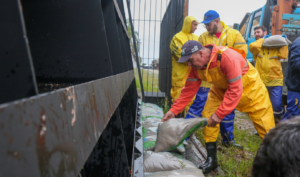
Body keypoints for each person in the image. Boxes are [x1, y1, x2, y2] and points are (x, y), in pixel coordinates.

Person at [162, 40, 275, 174]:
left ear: (201, 53)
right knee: (208, 116)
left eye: (190, 60)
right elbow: (187, 91)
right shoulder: (195, 68)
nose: (189, 64)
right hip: (221, 90)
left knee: (268, 131)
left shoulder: (227, 58)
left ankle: (278, 165)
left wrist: (220, 113)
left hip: (252, 91)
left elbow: (235, 90)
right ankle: (212, 159)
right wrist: (173, 111)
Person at [185, 10, 247, 148]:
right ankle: (185, 137)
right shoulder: (202, 37)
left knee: (228, 110)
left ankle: (228, 140)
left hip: (225, 80)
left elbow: (241, 55)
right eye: (205, 25)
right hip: (207, 79)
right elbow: (198, 57)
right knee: (197, 106)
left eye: (208, 24)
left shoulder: (234, 34)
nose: (206, 27)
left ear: (217, 21)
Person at [249, 26, 288, 122]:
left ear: (265, 32)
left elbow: (283, 55)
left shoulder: (276, 44)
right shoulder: (257, 47)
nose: (256, 34)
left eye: (258, 32)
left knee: (276, 106)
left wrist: (284, 42)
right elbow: (252, 47)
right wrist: (263, 39)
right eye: (255, 33)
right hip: (261, 82)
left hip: (275, 80)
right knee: (261, 106)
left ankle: (277, 126)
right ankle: (264, 127)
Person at [170, 16, 199, 115]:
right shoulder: (177, 38)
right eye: (194, 25)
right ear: (188, 24)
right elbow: (181, 54)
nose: (196, 27)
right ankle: (176, 124)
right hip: (180, 77)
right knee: (178, 102)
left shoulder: (197, 38)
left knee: (191, 101)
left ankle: (187, 126)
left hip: (192, 77)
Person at [282, 36, 300, 121]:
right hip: (296, 87)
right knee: (292, 117)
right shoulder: (298, 43)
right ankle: (280, 134)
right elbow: (295, 62)